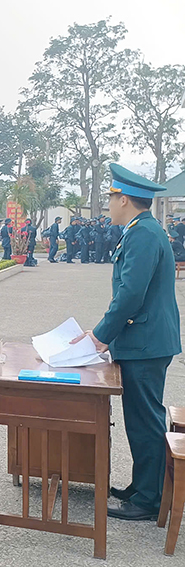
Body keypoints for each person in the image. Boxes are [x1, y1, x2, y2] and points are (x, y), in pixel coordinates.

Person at [73, 163, 180, 521]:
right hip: (143, 340)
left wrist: (101, 336)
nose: (108, 206)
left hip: (146, 343)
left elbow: (131, 294)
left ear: (124, 200)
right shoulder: (140, 230)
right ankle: (141, 486)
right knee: (138, 417)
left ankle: (149, 499)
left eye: (111, 199)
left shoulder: (144, 234)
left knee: (144, 419)